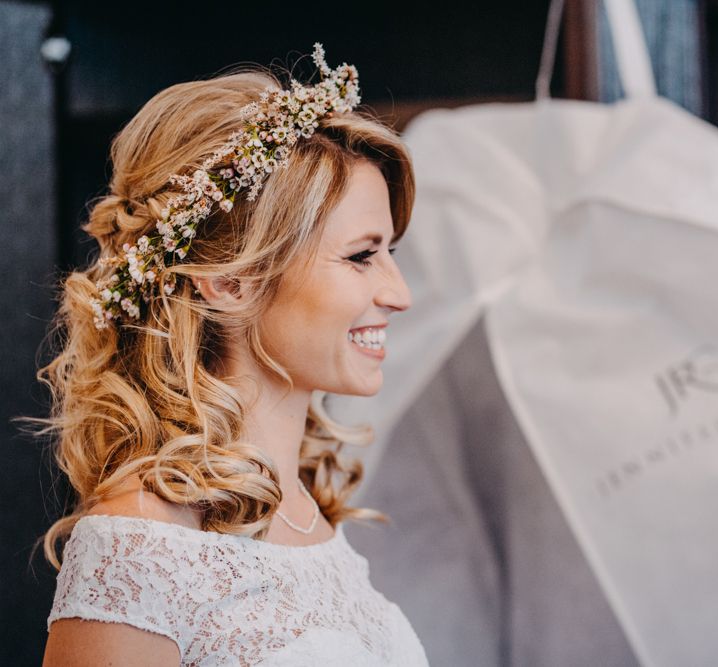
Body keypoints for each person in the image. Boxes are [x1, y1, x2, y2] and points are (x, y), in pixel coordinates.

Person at [38, 43, 430, 665]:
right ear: (228, 280)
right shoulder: (138, 548)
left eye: (391, 254)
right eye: (361, 256)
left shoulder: (306, 508)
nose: (398, 294)